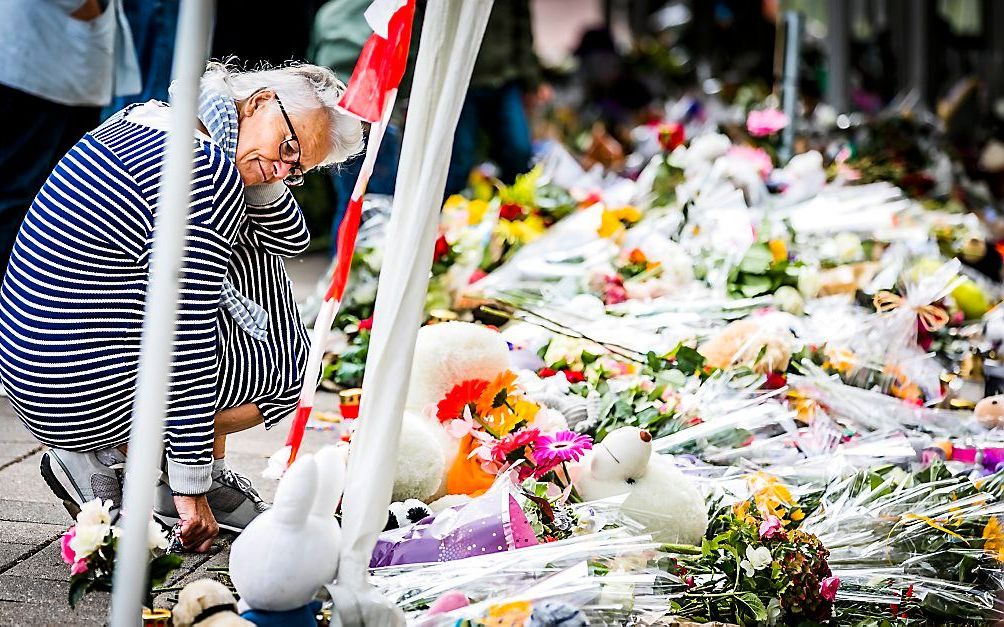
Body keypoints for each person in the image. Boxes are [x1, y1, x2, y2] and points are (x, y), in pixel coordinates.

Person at [0, 62, 363, 552]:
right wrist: (189, 490)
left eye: (296, 170)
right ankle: (140, 465)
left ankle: (120, 456)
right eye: (287, 147)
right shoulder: (205, 170)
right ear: (256, 102)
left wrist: (262, 158)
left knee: (253, 250)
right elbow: (183, 334)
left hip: (38, 377)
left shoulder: (151, 117)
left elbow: (290, 234)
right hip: (85, 392)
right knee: (295, 370)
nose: (282, 170)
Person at [0, 0, 141, 275]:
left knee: (44, 204)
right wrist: (87, 6)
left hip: (60, 66)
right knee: (18, 201)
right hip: (41, 67)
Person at [443, 0, 545, 196]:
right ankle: (447, 212)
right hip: (463, 82)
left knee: (519, 149)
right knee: (460, 159)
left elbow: (522, 29)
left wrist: (531, 79)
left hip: (505, 78)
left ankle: (511, 206)